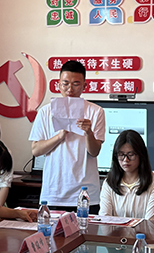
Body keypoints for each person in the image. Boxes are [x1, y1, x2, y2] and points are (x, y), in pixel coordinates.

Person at [29, 60, 105, 212]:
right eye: (65, 83)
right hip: (53, 192)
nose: (70, 89)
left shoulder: (96, 111)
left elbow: (94, 152)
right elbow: (36, 150)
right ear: (58, 84)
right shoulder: (45, 112)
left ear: (84, 86)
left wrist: (88, 132)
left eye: (76, 84)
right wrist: (59, 136)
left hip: (85, 192)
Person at [98, 130, 154, 219]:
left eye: (131, 154)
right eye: (121, 154)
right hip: (114, 229)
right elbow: (104, 219)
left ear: (141, 155)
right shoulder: (109, 182)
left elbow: (150, 223)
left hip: (143, 229)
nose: (126, 159)